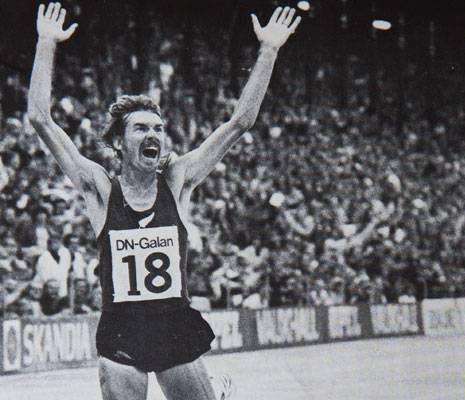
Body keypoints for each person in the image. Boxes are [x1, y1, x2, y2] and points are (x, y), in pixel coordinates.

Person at [27, 2, 301, 400]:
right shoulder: (101, 190)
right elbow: (40, 118)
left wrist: (269, 50)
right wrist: (46, 42)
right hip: (122, 328)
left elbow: (240, 121)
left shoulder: (177, 180)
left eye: (158, 128)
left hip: (173, 322)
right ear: (120, 143)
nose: (153, 133)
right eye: (141, 128)